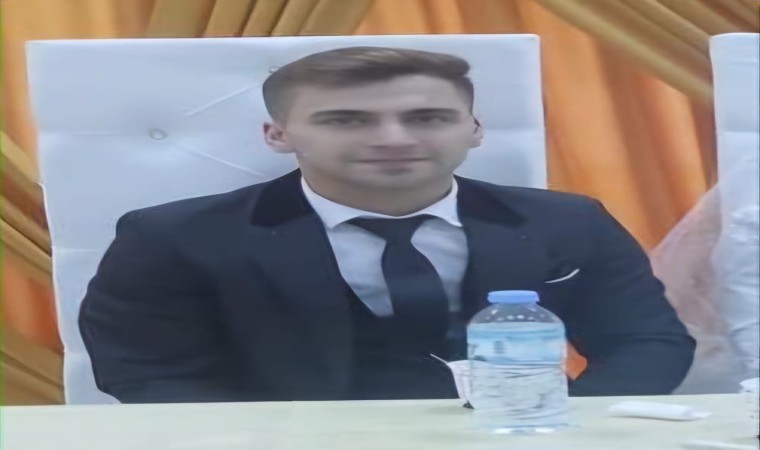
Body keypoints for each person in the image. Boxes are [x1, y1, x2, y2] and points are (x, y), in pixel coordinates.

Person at [79, 46, 695, 404]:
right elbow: (145, 369)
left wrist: (566, 430)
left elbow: (647, 343)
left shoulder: (567, 220)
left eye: (427, 117)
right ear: (278, 135)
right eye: (346, 120)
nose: (394, 139)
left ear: (474, 129)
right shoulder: (174, 237)